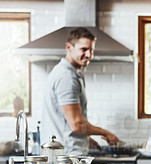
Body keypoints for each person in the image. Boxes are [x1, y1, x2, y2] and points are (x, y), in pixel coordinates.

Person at [41, 27, 119, 155]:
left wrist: (85, 138)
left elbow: (67, 122)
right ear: (68, 47)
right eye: (83, 49)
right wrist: (106, 133)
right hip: (67, 157)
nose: (88, 55)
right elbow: (77, 124)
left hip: (65, 153)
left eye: (91, 50)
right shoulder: (67, 77)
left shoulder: (70, 74)